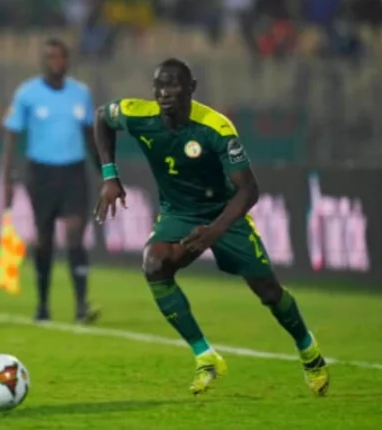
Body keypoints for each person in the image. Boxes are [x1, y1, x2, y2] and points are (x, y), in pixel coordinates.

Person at [92, 58, 330, 396]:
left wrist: (214, 231)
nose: (164, 93)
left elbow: (249, 190)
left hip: (224, 214)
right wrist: (109, 176)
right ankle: (205, 357)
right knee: (154, 264)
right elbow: (101, 116)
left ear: (191, 88)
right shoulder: (138, 114)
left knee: (269, 292)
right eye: (159, 85)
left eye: (173, 85)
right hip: (178, 213)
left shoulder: (215, 128)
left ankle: (309, 351)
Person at [1, 38, 101, 324]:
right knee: (44, 239)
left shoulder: (81, 93)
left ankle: (81, 305)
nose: (57, 62)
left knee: (74, 233)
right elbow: (11, 137)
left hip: (74, 172)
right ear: (43, 61)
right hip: (41, 173)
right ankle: (43, 304)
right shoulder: (27, 93)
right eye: (51, 57)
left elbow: (91, 136)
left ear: (68, 60)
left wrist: (107, 173)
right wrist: (7, 178)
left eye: (61, 57)